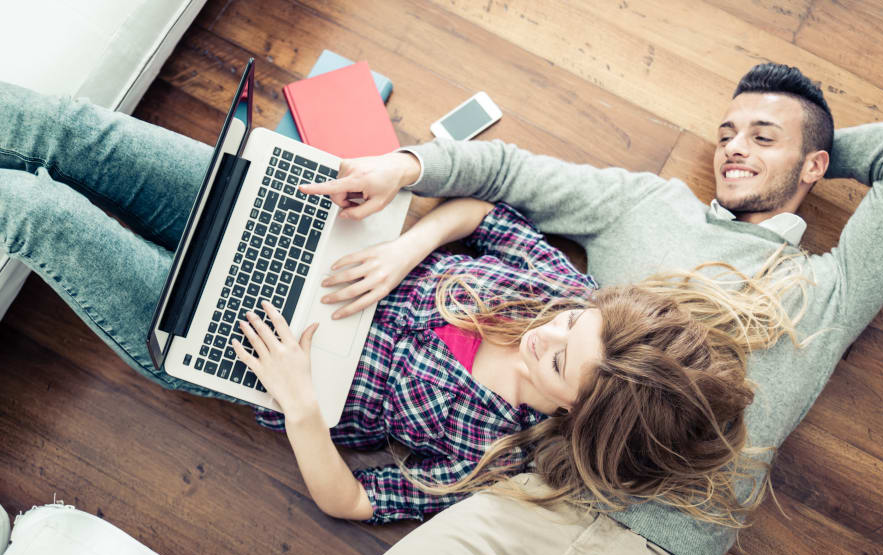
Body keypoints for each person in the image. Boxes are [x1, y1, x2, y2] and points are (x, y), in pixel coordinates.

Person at [0, 77, 796, 530]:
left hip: (237, 346)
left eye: (557, 358)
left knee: (39, 213)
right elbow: (484, 214)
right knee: (74, 134)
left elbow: (350, 499)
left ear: (576, 415)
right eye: (569, 322)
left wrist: (302, 407)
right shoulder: (567, 296)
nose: (546, 332)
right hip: (290, 233)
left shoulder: (503, 458)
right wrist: (406, 247)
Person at [299, 63, 883, 555]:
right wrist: (406, 166)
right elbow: (509, 174)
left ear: (814, 166)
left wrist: (816, 147)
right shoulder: (649, 206)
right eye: (727, 133)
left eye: (762, 135)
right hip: (535, 495)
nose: (734, 147)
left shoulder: (828, 290)